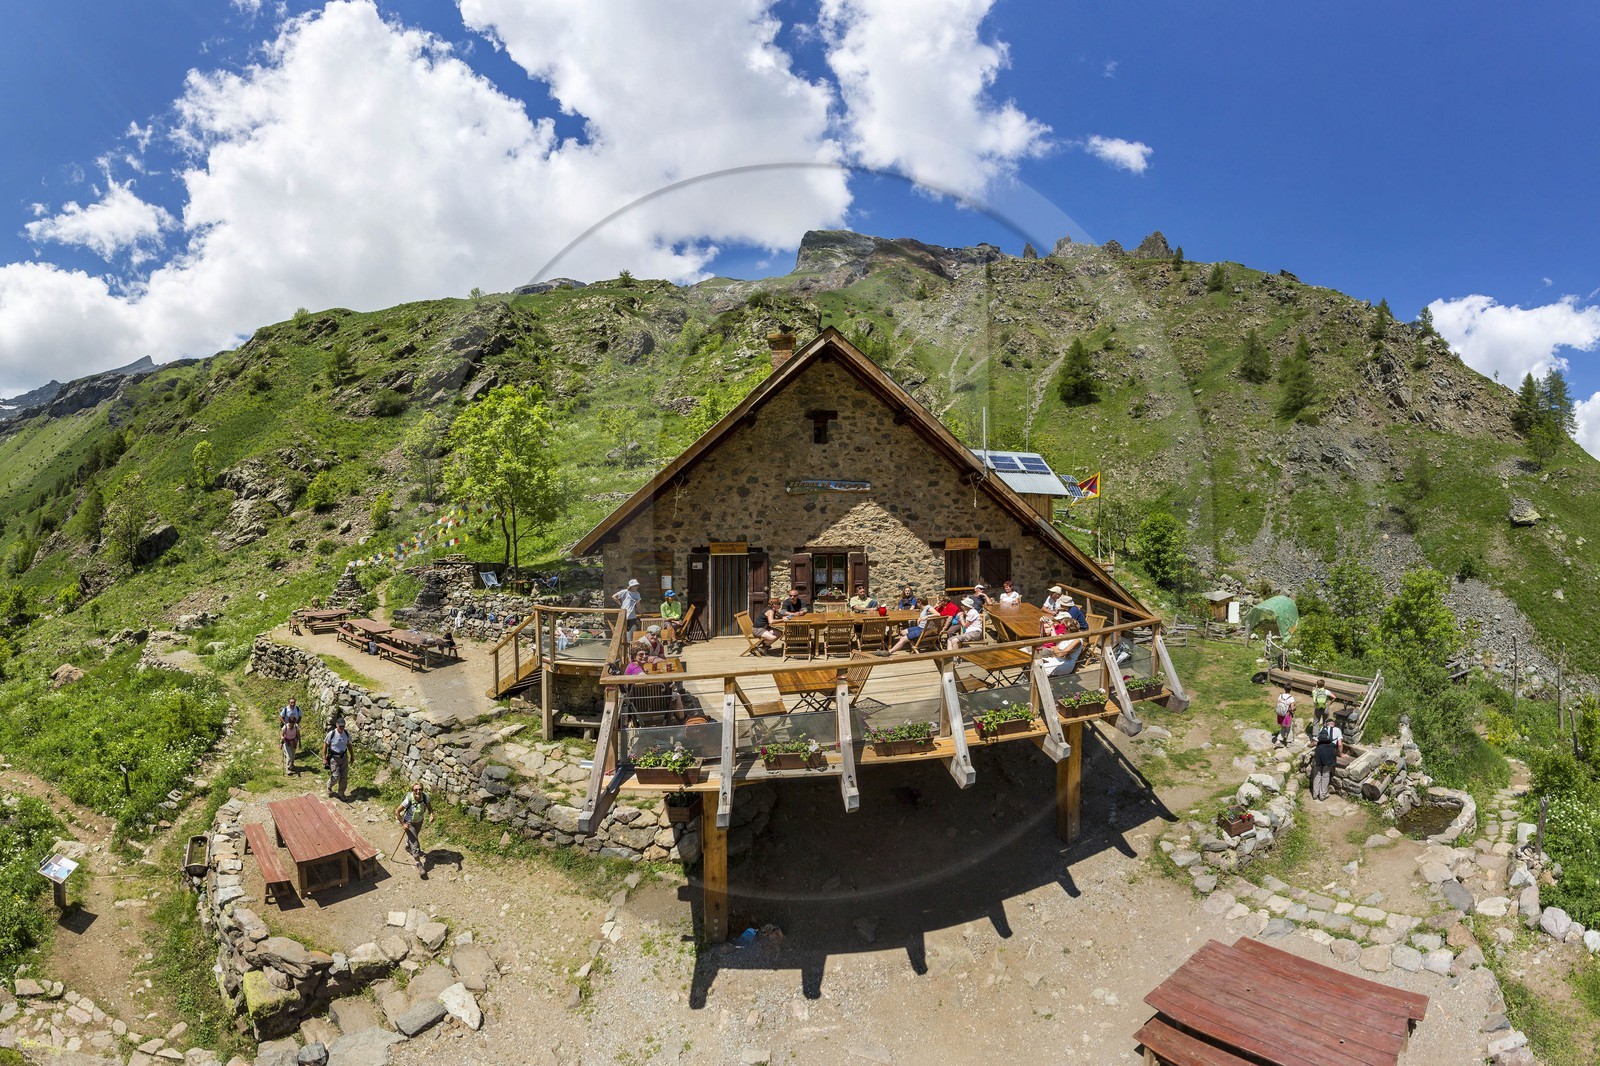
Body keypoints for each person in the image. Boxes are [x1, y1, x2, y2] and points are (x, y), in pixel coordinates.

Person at [396, 783, 432, 877]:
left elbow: (429, 807)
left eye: (420, 789)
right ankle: (419, 864)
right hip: (409, 823)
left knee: (414, 837)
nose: (418, 791)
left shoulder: (424, 797)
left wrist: (431, 815)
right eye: (416, 789)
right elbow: (397, 812)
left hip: (419, 821)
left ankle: (408, 845)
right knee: (415, 843)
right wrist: (403, 824)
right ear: (412, 790)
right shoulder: (408, 799)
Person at [1311, 719, 1343, 800]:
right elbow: (1339, 744)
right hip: (1329, 753)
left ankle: (1315, 794)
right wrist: (1341, 754)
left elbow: (1315, 742)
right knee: (1325, 775)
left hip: (1319, 752)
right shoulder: (1337, 730)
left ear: (1327, 724)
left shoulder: (1322, 729)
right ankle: (1322, 795)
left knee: (1317, 774)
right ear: (1333, 724)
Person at [322, 719, 352, 799]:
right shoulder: (331, 734)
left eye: (343, 726)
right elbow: (325, 744)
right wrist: (324, 758)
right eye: (340, 726)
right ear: (336, 725)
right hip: (334, 758)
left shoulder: (346, 733)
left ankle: (341, 793)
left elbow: (349, 744)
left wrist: (352, 755)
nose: (341, 728)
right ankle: (329, 785)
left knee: (344, 777)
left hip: (344, 757)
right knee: (335, 776)